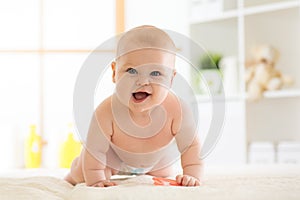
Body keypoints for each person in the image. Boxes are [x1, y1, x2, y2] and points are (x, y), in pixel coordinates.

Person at [65, 25, 203, 187]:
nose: (143, 81)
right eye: (131, 71)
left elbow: (191, 146)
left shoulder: (177, 110)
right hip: (112, 158)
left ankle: (151, 171)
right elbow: (94, 150)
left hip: (156, 161)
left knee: (164, 175)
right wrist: (96, 181)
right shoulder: (106, 111)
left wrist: (192, 176)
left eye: (156, 73)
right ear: (115, 73)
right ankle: (70, 176)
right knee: (82, 171)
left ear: (171, 79)